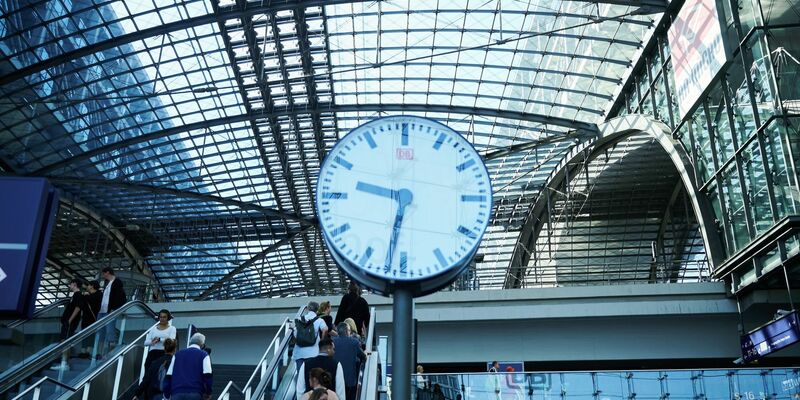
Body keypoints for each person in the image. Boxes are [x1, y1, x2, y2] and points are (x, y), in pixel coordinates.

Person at [163, 333, 213, 400]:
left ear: (190, 342)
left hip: (177, 392)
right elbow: (208, 375)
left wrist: (166, 395)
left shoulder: (177, 355)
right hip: (195, 393)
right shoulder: (204, 355)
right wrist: (208, 392)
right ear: (202, 345)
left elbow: (168, 376)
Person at [332, 323, 366, 400]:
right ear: (347, 331)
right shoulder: (354, 342)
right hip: (350, 379)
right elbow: (362, 356)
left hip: (336, 378)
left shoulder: (333, 342)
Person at [98, 267, 126, 354]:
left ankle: (111, 351)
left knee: (110, 329)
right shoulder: (108, 283)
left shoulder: (117, 282)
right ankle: (100, 352)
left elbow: (118, 296)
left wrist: (113, 309)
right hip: (103, 310)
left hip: (110, 309)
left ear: (108, 272)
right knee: (101, 330)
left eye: (103, 273)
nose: (103, 275)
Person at [293, 301, 328, 369]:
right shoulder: (319, 320)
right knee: (312, 376)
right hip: (313, 353)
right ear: (317, 310)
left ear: (308, 309)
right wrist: (322, 341)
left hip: (299, 353)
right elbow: (325, 329)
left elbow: (294, 333)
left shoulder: (299, 319)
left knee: (301, 376)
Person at [79, 280, 102, 357]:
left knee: (91, 334)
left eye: (88, 285)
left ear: (92, 286)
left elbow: (96, 304)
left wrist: (87, 296)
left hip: (94, 318)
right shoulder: (87, 295)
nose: (87, 287)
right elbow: (82, 305)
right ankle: (83, 351)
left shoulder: (99, 294)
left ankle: (88, 351)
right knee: (84, 333)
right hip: (85, 317)